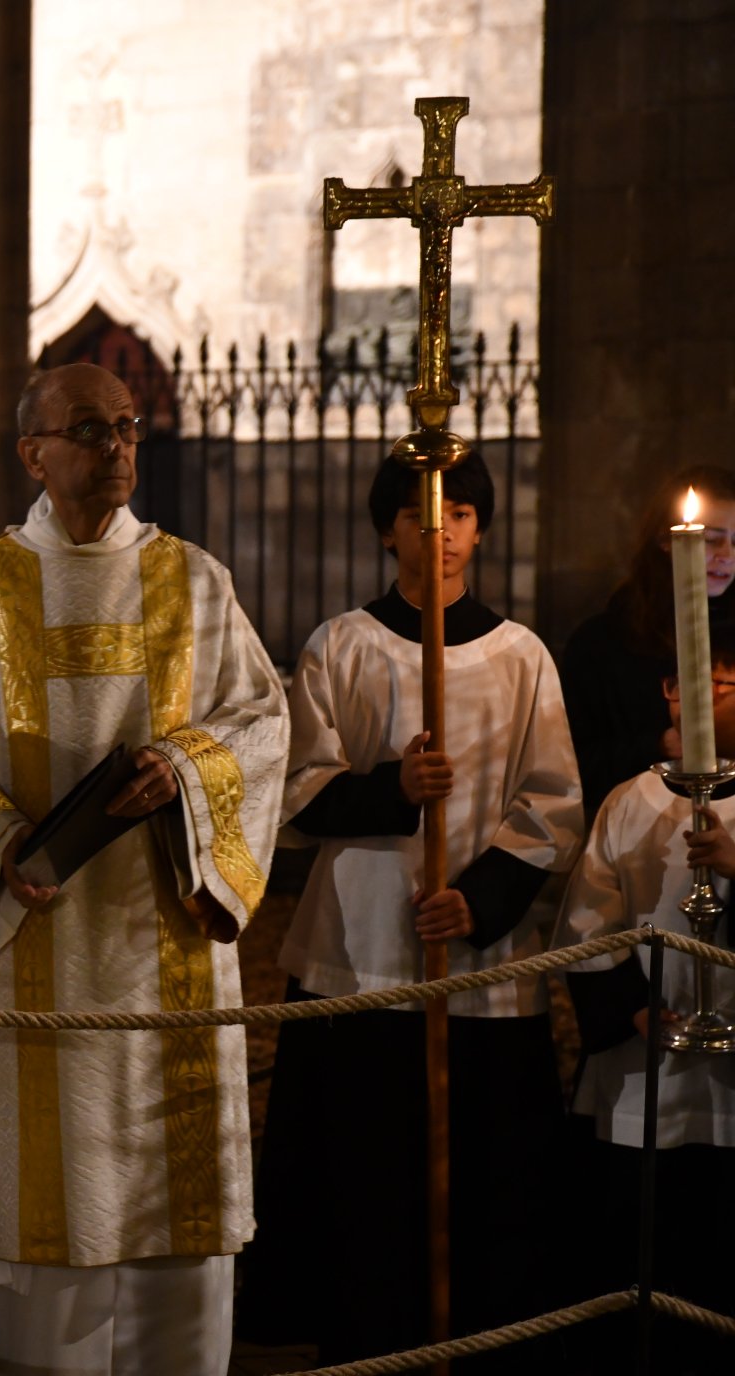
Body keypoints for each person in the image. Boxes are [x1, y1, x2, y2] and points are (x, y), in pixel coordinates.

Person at [0, 362, 288, 1376]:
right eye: (90, 430)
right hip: (31, 939)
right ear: (33, 452)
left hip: (163, 940)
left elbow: (261, 719)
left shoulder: (194, 579)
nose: (117, 449)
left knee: (169, 1232)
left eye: (127, 428)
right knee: (44, 1228)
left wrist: (188, 768)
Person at [252, 453, 583, 1369]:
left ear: (479, 529)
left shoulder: (522, 657)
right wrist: (393, 789)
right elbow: (296, 790)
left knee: (483, 1193)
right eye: (415, 515)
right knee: (363, 1188)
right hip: (358, 959)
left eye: (458, 515)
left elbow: (553, 803)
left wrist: (479, 902)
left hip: (477, 967)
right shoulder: (340, 646)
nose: (437, 534)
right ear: (386, 528)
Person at [555, 628, 735, 1374]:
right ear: (666, 692)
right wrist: (627, 1008)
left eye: (722, 684)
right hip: (644, 1066)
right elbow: (585, 923)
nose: (701, 698)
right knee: (637, 1252)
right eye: (687, 684)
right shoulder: (631, 801)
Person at [561, 466, 735, 819]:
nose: (727, 554)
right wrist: (659, 746)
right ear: (666, 541)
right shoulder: (602, 643)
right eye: (712, 538)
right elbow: (571, 767)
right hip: (638, 828)